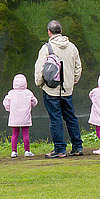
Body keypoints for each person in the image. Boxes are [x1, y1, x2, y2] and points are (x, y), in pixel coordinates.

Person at [34, 20, 83, 158]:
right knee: (71, 118)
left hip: (51, 90)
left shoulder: (46, 48)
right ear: (61, 31)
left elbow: (39, 69)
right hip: (67, 89)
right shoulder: (72, 47)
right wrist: (72, 82)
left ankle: (60, 149)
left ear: (49, 32)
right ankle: (77, 147)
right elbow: (78, 68)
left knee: (55, 119)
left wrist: (40, 84)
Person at [3, 73, 38, 158]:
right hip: (25, 116)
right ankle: (27, 151)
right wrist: (30, 106)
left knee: (15, 134)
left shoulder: (11, 93)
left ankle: (14, 152)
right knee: (25, 133)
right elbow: (35, 102)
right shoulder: (28, 92)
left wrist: (9, 109)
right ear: (25, 83)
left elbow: (6, 102)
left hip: (14, 117)